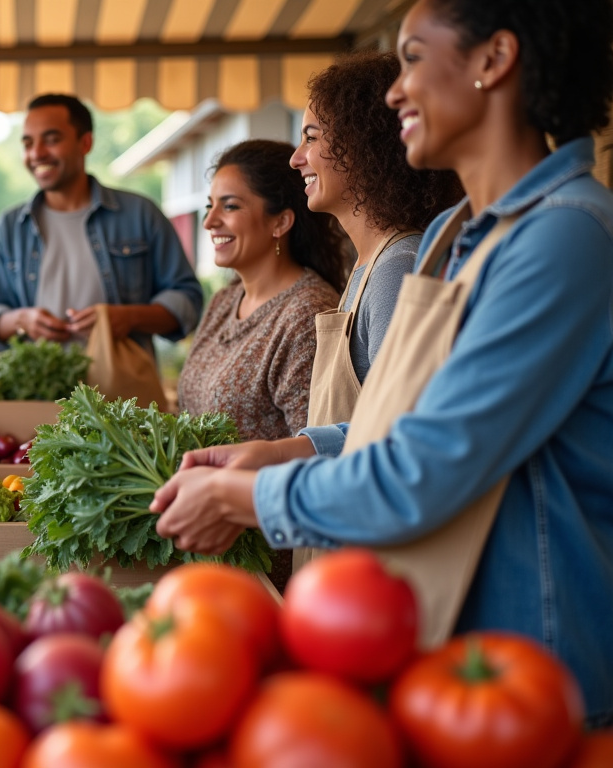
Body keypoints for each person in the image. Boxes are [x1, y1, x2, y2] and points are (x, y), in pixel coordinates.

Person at [152, 0, 613, 726]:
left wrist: (248, 500)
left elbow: (428, 465)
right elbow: (406, 418)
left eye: (413, 58)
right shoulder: (462, 239)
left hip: (536, 671)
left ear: (495, 61)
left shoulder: (565, 239)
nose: (395, 90)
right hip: (456, 658)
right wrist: (280, 452)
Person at [0, 93, 204, 408]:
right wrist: (20, 319)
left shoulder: (139, 215)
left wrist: (127, 317)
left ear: (85, 143)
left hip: (123, 408)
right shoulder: (10, 226)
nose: (37, 153)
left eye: (51, 139)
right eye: (28, 143)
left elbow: (188, 302)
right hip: (37, 404)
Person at [290, 50, 463, 426]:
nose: (296, 158)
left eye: (311, 138)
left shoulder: (396, 270)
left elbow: (404, 432)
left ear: (362, 145)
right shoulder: (370, 265)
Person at [176, 140, 345, 442]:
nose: (210, 222)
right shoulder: (225, 300)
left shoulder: (307, 315)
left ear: (280, 221)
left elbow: (312, 449)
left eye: (229, 206)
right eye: (209, 206)